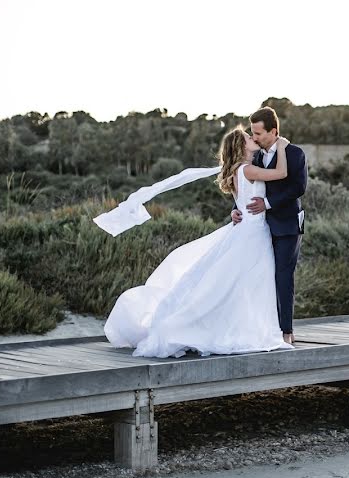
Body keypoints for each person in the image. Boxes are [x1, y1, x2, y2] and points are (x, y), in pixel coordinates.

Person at [98, 125, 295, 358]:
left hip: (248, 230)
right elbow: (282, 173)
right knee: (246, 283)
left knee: (239, 284)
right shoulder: (248, 170)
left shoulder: (238, 171)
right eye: (247, 137)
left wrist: (237, 210)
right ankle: (241, 330)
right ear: (241, 147)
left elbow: (244, 200)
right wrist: (282, 147)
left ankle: (244, 327)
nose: (252, 138)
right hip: (252, 234)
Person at [231, 107, 308, 345]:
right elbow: (244, 187)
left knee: (283, 276)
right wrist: (235, 211)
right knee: (259, 277)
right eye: (251, 133)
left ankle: (286, 331)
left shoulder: (294, 153)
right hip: (259, 228)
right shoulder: (253, 156)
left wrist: (267, 203)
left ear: (273, 131)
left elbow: (298, 188)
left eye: (258, 133)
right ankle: (261, 328)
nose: (253, 138)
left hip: (286, 225)